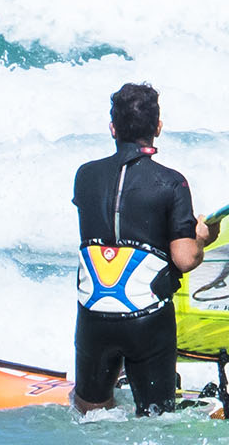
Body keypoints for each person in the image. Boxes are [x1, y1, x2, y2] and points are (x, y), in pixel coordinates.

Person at [72, 82, 218, 416]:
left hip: (94, 315)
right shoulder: (172, 182)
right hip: (146, 320)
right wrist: (203, 238)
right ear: (158, 128)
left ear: (113, 128)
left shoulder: (85, 176)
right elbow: (184, 259)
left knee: (90, 414)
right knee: (155, 421)